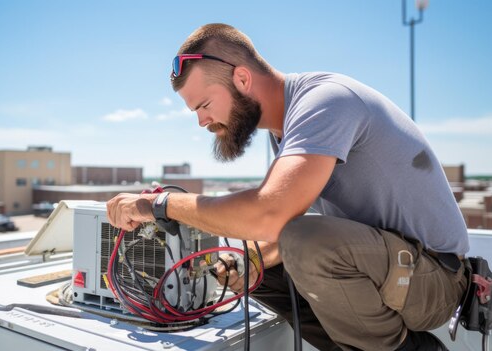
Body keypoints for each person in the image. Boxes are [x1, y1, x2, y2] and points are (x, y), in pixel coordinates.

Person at [106, 23, 468, 351]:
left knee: (303, 240)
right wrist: (248, 263)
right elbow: (283, 217)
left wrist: (159, 204)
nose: (202, 121)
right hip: (392, 269)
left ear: (243, 79)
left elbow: (272, 214)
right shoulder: (285, 128)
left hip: (437, 281)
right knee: (252, 269)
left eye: (204, 105)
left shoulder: (325, 101)